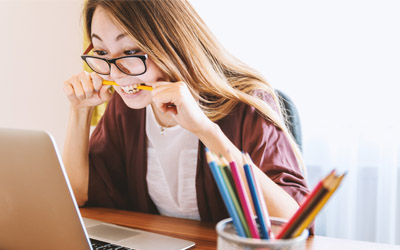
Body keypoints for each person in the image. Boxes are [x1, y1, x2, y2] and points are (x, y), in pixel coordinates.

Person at [63, 0, 309, 223]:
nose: (115, 73)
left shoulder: (247, 103)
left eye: (130, 52)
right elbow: (78, 194)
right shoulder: (127, 106)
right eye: (102, 52)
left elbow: (292, 222)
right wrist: (80, 111)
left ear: (171, 42)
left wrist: (205, 129)